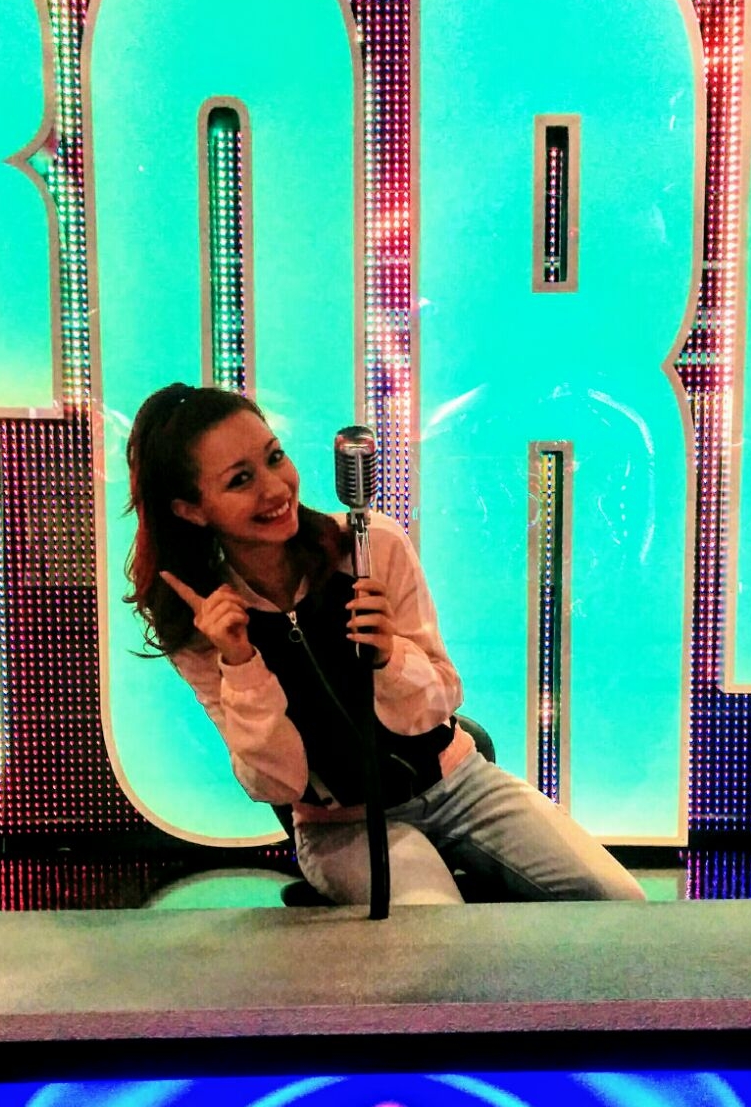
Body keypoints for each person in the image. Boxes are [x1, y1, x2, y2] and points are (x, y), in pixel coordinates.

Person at [125, 383, 645, 906]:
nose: (275, 488)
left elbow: (442, 695)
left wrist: (390, 657)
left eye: (274, 457)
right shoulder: (198, 623)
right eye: (241, 480)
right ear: (192, 510)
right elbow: (277, 784)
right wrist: (240, 663)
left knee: (618, 903)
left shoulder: (370, 546)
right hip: (340, 827)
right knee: (432, 922)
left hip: (459, 785)